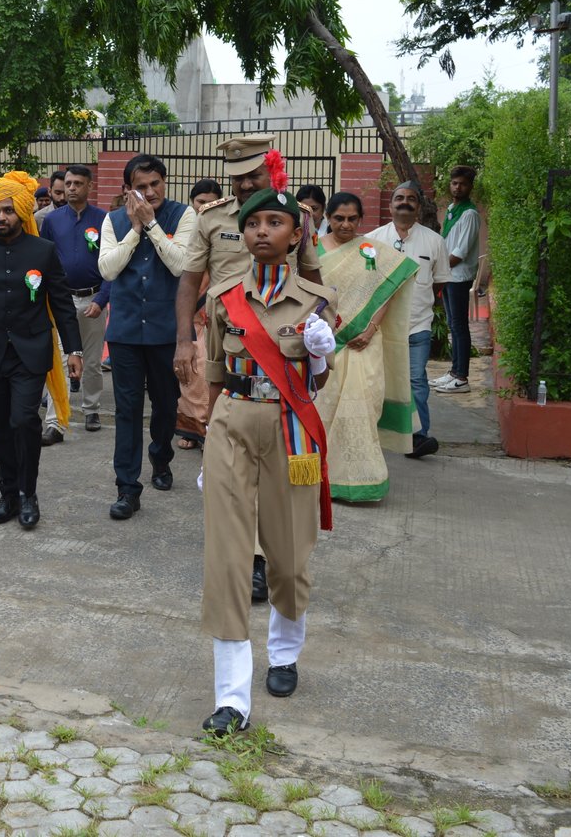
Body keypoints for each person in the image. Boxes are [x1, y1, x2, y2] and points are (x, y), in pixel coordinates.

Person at [200, 187, 338, 735]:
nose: (262, 230)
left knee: (288, 556)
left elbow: (316, 383)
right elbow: (215, 372)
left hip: (291, 433)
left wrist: (320, 355)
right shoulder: (222, 296)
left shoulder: (317, 301)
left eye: (275, 222)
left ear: (296, 234)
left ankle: (283, 654)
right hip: (232, 426)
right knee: (228, 560)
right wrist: (209, 442)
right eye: (253, 222)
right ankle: (231, 698)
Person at [175, 134, 322, 601]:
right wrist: (183, 340)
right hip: (229, 350)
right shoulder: (211, 217)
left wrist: (320, 341)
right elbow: (190, 281)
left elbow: (315, 282)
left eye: (253, 175)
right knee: (230, 458)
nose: (243, 185)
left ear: (271, 171)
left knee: (276, 465)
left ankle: (265, 558)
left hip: (281, 355)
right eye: (236, 178)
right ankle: (243, 556)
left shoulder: (294, 217)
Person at [0, 172, 83, 529]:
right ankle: (7, 494)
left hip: (31, 351)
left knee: (24, 421)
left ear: (21, 212)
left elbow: (62, 305)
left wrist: (74, 350)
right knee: (0, 427)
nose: (1, 217)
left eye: (8, 210)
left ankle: (28, 493)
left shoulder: (43, 251)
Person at [98, 154, 197, 520]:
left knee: (166, 404)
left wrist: (152, 225)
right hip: (124, 332)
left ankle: (161, 456)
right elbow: (107, 270)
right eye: (141, 187)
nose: (150, 192)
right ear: (128, 190)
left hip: (165, 332)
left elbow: (180, 265)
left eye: (156, 184)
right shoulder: (112, 220)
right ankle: (127, 488)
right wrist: (135, 229)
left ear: (164, 182)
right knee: (127, 410)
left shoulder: (184, 215)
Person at [313, 191, 418, 501]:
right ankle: (320, 477)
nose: (345, 225)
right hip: (325, 343)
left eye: (352, 219)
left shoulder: (371, 251)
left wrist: (370, 329)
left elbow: (386, 291)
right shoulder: (312, 250)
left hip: (362, 343)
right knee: (323, 409)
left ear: (361, 219)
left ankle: (360, 480)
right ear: (327, 218)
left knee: (360, 409)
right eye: (338, 218)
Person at [366, 182, 451, 459]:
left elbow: (439, 284)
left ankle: (418, 437)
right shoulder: (372, 240)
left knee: (416, 382)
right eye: (399, 198)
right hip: (380, 327)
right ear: (390, 206)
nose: (405, 202)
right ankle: (373, 434)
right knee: (377, 380)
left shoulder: (434, 241)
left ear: (419, 206)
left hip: (417, 326)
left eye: (411, 198)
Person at [39, 163, 111, 442]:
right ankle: (56, 420)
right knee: (59, 359)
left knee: (91, 361)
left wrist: (102, 299)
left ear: (89, 186)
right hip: (62, 299)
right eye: (68, 183)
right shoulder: (52, 221)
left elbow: (113, 265)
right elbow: (44, 261)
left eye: (78, 184)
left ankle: (91, 409)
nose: (71, 188)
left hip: (94, 299)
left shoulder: (104, 220)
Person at [175, 178, 223, 450]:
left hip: (215, 310)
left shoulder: (224, 227)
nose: (205, 207)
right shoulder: (184, 228)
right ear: (192, 202)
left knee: (209, 371)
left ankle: (209, 430)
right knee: (190, 372)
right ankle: (191, 429)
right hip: (190, 308)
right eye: (200, 202)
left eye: (211, 202)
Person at [435, 166, 481, 393]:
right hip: (448, 275)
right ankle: (454, 372)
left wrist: (437, 270)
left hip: (459, 278)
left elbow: (460, 252)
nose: (458, 187)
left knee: (460, 326)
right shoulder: (453, 209)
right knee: (453, 325)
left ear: (470, 187)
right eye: (454, 183)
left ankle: (461, 377)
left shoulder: (470, 214)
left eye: (463, 184)